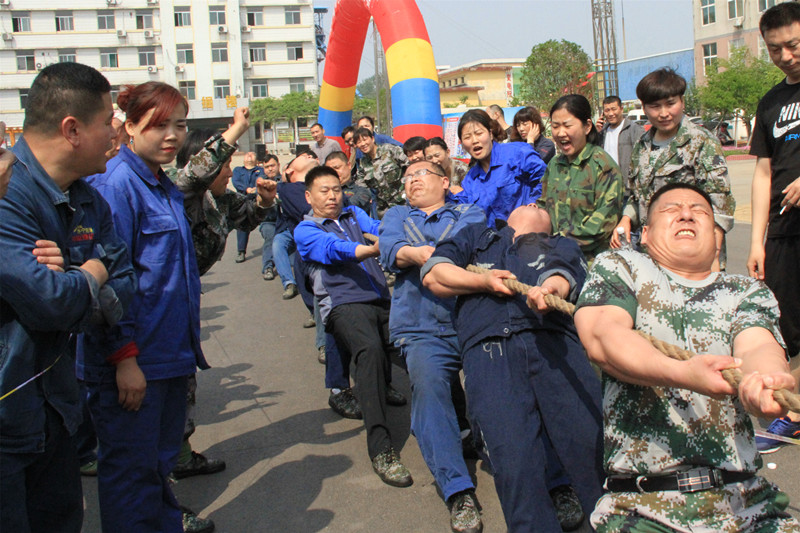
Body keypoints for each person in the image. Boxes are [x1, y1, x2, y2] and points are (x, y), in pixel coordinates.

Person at [574, 183, 800, 532]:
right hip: (643, 506)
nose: (685, 214)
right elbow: (603, 336)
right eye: (671, 209)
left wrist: (766, 382)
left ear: (717, 237)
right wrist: (683, 373)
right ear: (645, 235)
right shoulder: (622, 266)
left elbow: (758, 346)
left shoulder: (746, 291)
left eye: (699, 211)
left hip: (745, 502)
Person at [0, 62, 136, 533]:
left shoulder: (88, 200)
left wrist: (76, 283)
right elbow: (50, 301)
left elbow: (126, 283)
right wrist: (92, 272)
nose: (116, 133)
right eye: (108, 121)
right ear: (72, 129)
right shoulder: (6, 193)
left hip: (57, 413)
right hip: (8, 416)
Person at [422, 203, 604, 533]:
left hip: (555, 345)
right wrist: (483, 281)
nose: (534, 202)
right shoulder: (476, 237)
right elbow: (435, 275)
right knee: (515, 464)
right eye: (528, 202)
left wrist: (551, 289)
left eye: (541, 205)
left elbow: (565, 274)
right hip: (489, 351)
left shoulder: (561, 244)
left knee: (590, 449)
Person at [81, 81, 210, 533]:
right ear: (131, 127)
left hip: (169, 354)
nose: (172, 136)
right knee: (131, 476)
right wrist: (124, 357)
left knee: (156, 466)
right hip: (136, 360)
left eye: (180, 125)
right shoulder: (116, 186)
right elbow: (109, 283)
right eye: (159, 125)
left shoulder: (161, 183)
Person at [379, 160, 486, 533]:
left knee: (502, 391)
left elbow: (473, 244)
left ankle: (553, 482)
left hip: (471, 321)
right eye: (408, 177)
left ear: (445, 181)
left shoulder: (470, 212)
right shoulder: (396, 215)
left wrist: (427, 253)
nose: (412, 181)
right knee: (428, 391)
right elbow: (391, 250)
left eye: (421, 174)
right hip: (420, 326)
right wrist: (420, 254)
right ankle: (458, 490)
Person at [294, 166, 413, 487]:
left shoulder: (354, 215)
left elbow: (380, 227)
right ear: (309, 196)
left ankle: (459, 426)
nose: (332, 196)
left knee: (420, 346)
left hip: (381, 299)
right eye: (324, 191)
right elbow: (335, 250)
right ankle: (381, 448)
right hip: (343, 305)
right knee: (369, 350)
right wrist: (371, 250)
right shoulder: (306, 230)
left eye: (336, 189)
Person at [611, 68, 736, 271]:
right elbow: (637, 196)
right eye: (655, 106)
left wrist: (713, 254)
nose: (664, 113)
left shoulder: (701, 142)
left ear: (682, 102)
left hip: (692, 254)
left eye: (670, 104)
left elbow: (719, 202)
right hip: (653, 255)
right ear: (644, 108)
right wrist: (626, 219)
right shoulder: (642, 145)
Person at [747, 1, 800, 452]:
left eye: (794, 45)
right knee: (787, 326)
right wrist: (757, 242)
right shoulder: (771, 102)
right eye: (775, 49)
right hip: (784, 231)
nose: (786, 56)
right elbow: (763, 173)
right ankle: (793, 411)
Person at [537, 94, 624, 264]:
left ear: (587, 126)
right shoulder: (554, 164)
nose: (561, 133)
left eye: (567, 125)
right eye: (555, 126)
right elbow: (544, 203)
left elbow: (602, 225)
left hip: (591, 263)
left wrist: (558, 241)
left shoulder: (603, 167)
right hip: (555, 258)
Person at [451, 109, 546, 228]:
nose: (474, 141)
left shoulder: (517, 153)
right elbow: (464, 209)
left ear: (490, 134)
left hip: (528, 231)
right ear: (462, 144)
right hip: (494, 237)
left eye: (479, 133)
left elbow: (545, 179)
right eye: (467, 137)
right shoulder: (469, 180)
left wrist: (534, 203)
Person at [273, 151, 319, 300]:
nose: (308, 156)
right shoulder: (288, 189)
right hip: (314, 248)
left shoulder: (323, 183)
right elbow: (312, 214)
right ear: (289, 171)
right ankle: (289, 283)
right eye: (302, 157)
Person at [353, 126, 409, 215]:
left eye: (365, 139)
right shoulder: (363, 163)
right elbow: (361, 185)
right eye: (359, 142)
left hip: (404, 201)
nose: (363, 144)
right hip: (384, 208)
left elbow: (409, 164)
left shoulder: (389, 150)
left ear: (372, 139)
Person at [596, 95, 645, 182]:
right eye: (607, 110)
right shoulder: (603, 132)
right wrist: (596, 132)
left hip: (627, 183)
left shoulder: (634, 129)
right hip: (607, 183)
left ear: (621, 109)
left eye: (614, 109)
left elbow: (643, 158)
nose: (611, 114)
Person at [231, 151, 266, 263]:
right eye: (247, 154)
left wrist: (255, 190)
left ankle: (271, 249)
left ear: (257, 160)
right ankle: (241, 251)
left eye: (252, 154)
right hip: (243, 201)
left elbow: (261, 180)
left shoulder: (260, 170)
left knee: (267, 223)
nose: (249, 154)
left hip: (257, 200)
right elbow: (236, 181)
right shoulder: (237, 170)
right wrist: (246, 189)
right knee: (242, 225)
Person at [259, 153, 282, 281]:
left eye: (272, 166)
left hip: (285, 220)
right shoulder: (261, 184)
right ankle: (268, 267)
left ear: (278, 165)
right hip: (268, 221)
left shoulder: (285, 181)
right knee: (270, 235)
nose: (270, 169)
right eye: (266, 167)